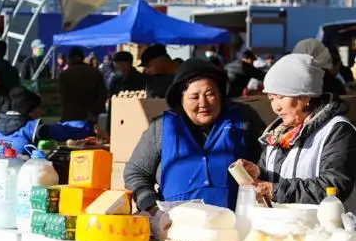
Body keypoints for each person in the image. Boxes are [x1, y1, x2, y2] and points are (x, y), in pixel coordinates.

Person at [124, 59, 265, 212]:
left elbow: (267, 163)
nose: (203, 103)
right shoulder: (161, 128)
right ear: (181, 99)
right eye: (194, 97)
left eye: (210, 94)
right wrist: (151, 206)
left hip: (233, 228)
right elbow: (136, 172)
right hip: (174, 228)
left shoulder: (244, 120)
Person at [234, 53, 356, 209]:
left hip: (321, 230)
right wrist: (258, 172)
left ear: (306, 97)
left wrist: (274, 191)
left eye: (281, 97)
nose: (276, 107)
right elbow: (279, 175)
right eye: (271, 98)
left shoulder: (337, 131)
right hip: (285, 227)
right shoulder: (277, 134)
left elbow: (334, 186)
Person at [0, 87, 94, 155]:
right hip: (24, 173)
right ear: (28, 110)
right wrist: (90, 127)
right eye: (38, 108)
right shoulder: (30, 128)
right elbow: (63, 130)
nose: (41, 112)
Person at [58, 47, 107, 124]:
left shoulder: (64, 75)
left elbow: (62, 97)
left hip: (71, 118)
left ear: (69, 59)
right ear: (83, 58)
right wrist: (92, 111)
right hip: (91, 117)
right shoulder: (95, 73)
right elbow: (103, 95)